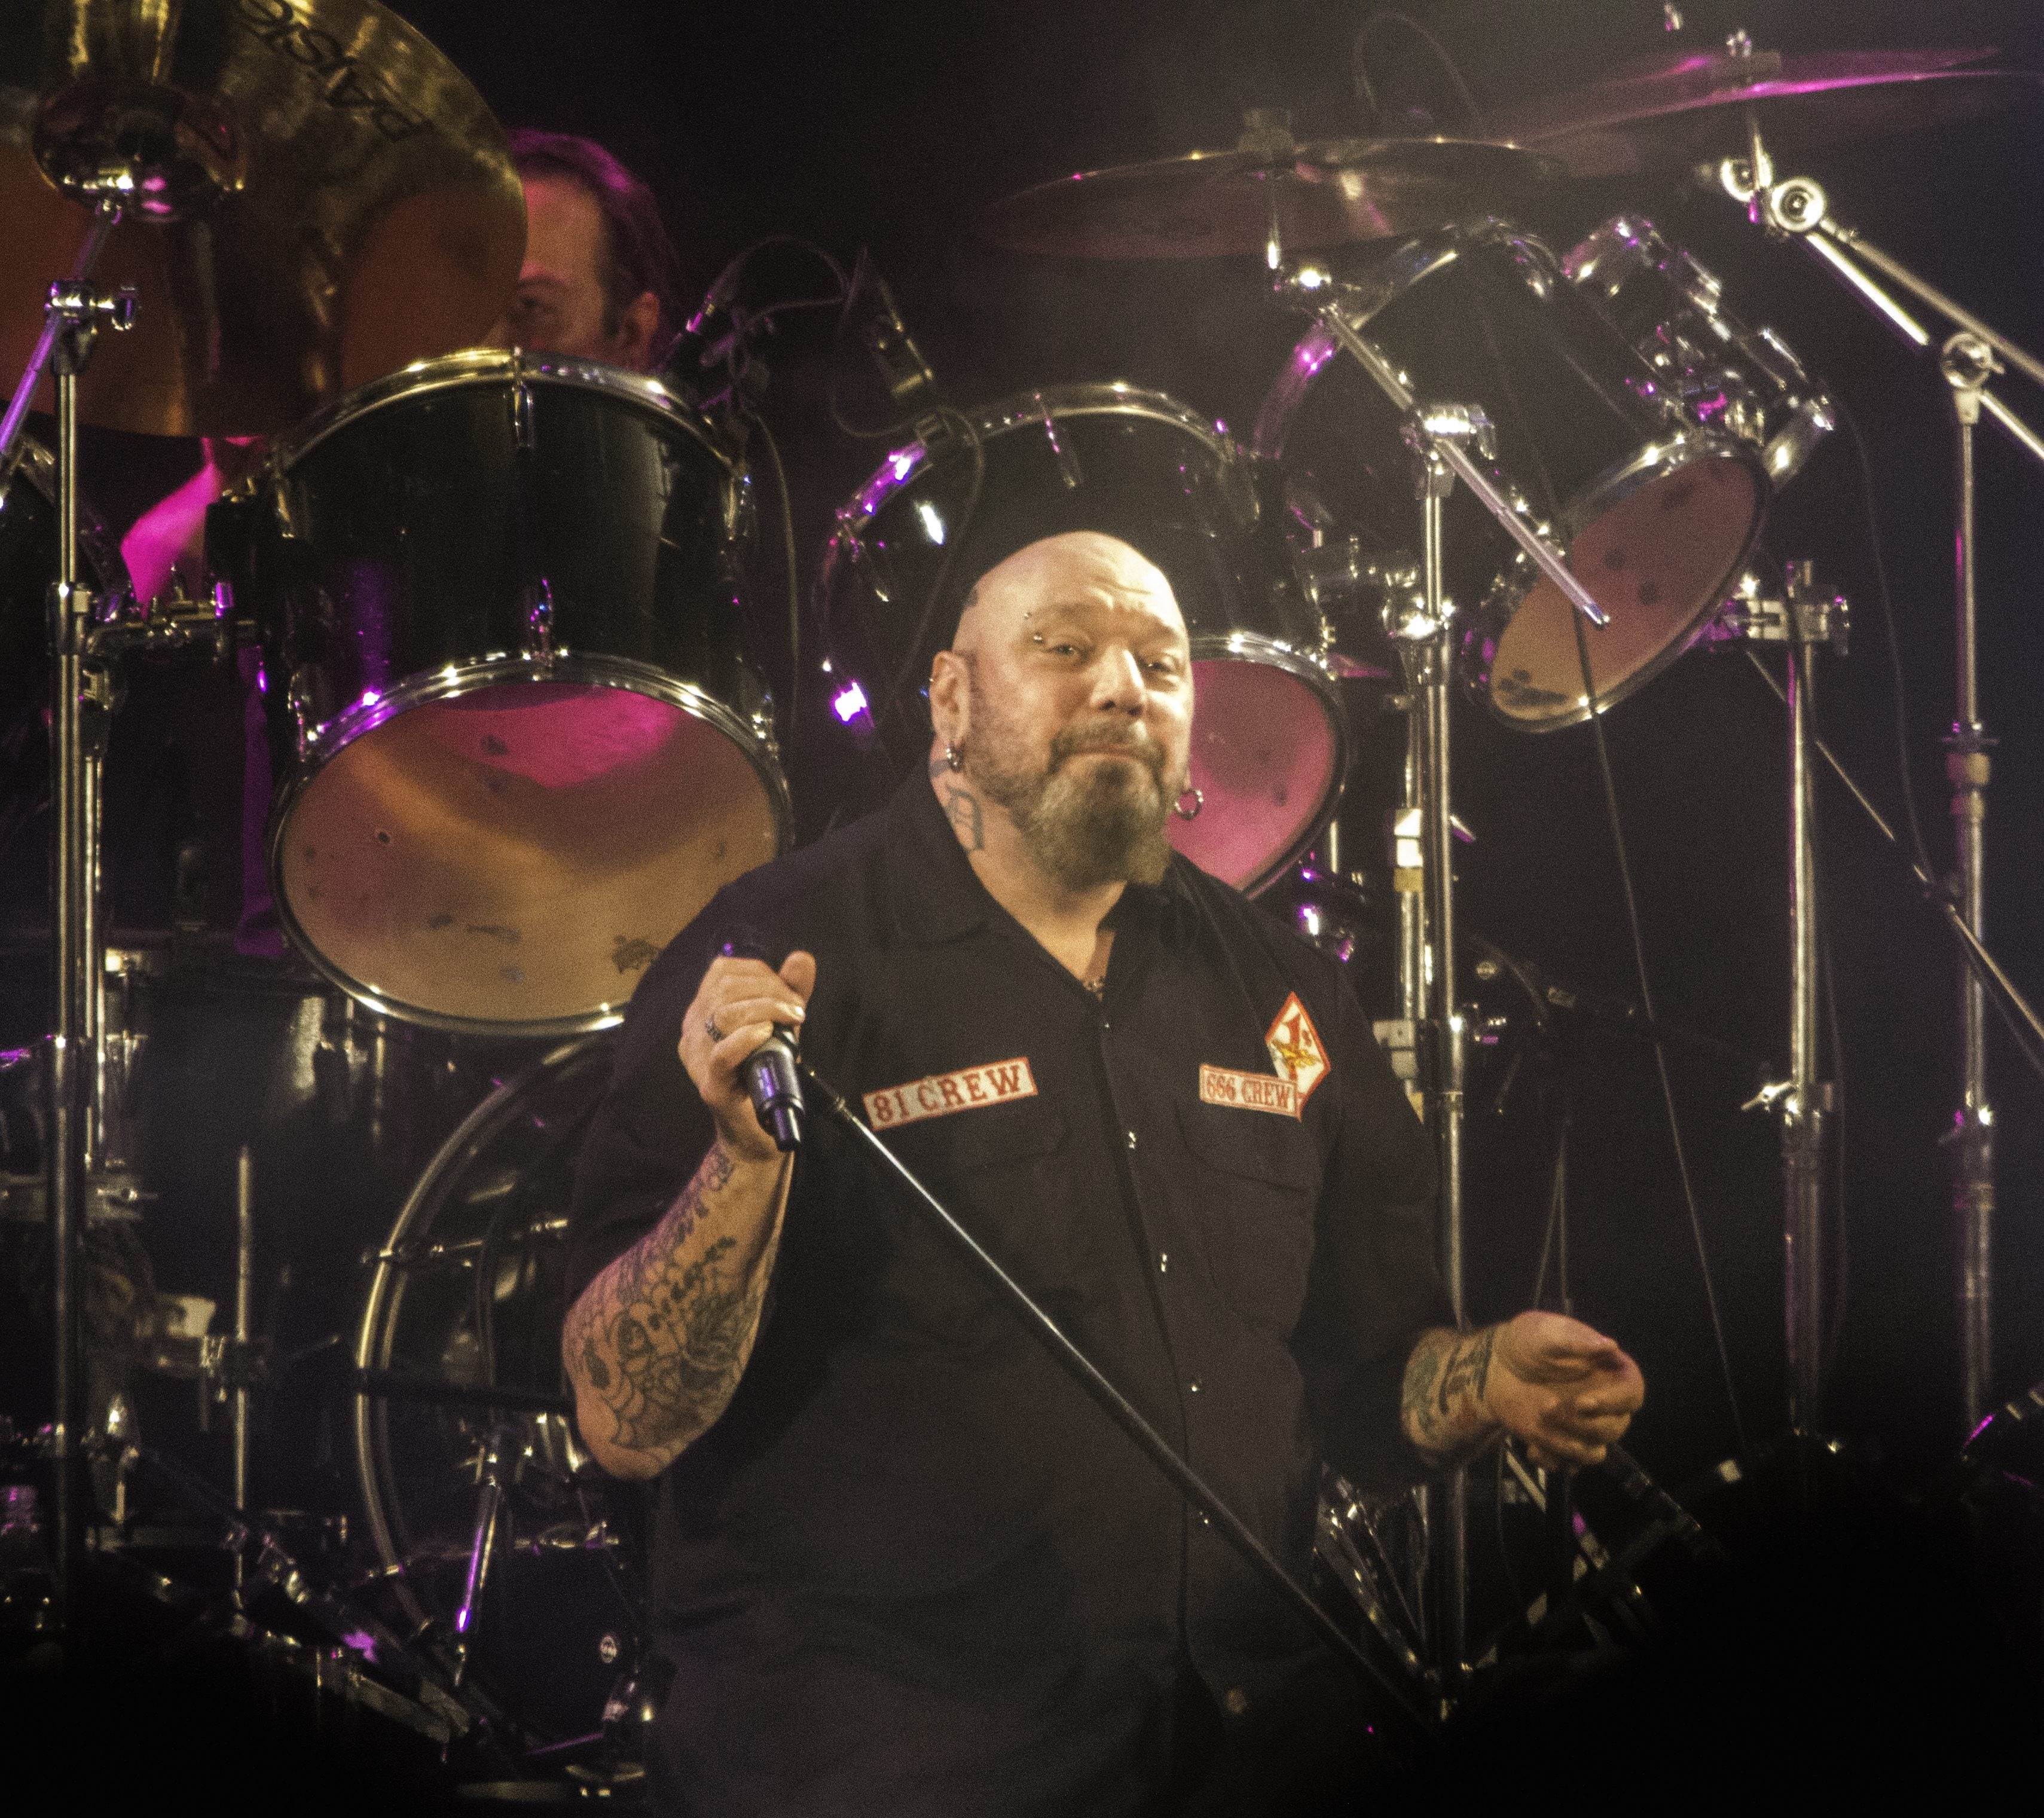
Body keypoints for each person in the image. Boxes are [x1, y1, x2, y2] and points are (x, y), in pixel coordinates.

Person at [561, 528, 1645, 1816]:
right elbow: (624, 1420)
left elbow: (1365, 1388)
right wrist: (744, 1164)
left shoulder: (1282, 993)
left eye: (1162, 663)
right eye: (1067, 650)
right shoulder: (777, 960)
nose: (1124, 687)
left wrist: (1486, 1380)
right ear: (953, 701)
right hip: (890, 1761)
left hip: (1245, 1752)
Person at [117, 130, 686, 950]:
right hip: (345, 992)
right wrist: (226, 494)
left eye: (530, 312)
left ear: (630, 335)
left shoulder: (680, 538)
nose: (485, 347)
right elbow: (141, 579)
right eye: (466, 311)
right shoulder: (371, 491)